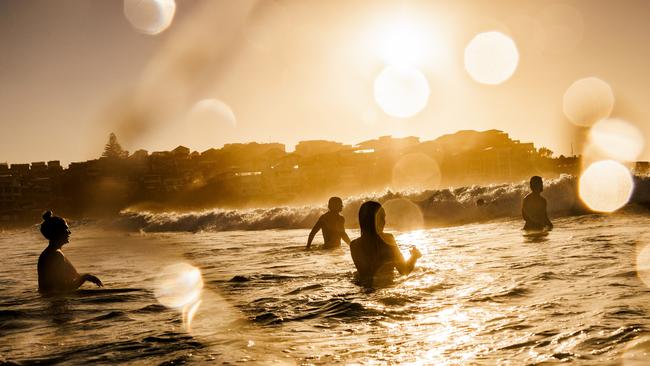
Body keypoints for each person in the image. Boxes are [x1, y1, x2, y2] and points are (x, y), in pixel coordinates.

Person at [349, 201, 421, 286]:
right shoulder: (388, 239)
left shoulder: (354, 244)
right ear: (372, 220)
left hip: (365, 290)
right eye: (381, 217)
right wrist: (414, 257)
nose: (384, 221)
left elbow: (366, 275)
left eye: (384, 217)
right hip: (386, 286)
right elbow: (404, 270)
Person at [37, 211, 103, 293]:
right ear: (57, 232)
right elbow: (63, 289)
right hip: (55, 302)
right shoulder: (56, 255)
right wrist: (85, 277)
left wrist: (86, 277)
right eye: (66, 228)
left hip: (50, 300)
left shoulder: (51, 253)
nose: (69, 232)